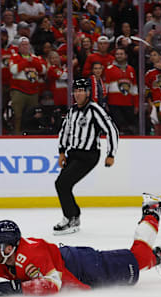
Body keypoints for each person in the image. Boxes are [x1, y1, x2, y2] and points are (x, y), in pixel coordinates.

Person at [0, 194, 161, 296]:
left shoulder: (30, 257)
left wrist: (16, 287)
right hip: (69, 263)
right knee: (138, 263)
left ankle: (151, 210)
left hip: (79, 264)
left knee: (138, 258)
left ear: (11, 247)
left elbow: (52, 283)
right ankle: (159, 257)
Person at [54, 78, 119, 235]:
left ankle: (71, 218)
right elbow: (65, 132)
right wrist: (62, 152)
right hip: (74, 153)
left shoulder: (94, 110)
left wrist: (111, 154)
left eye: (81, 91)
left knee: (62, 184)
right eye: (76, 91)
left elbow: (111, 130)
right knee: (63, 185)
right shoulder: (72, 111)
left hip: (88, 155)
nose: (78, 94)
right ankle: (73, 216)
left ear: (88, 93)